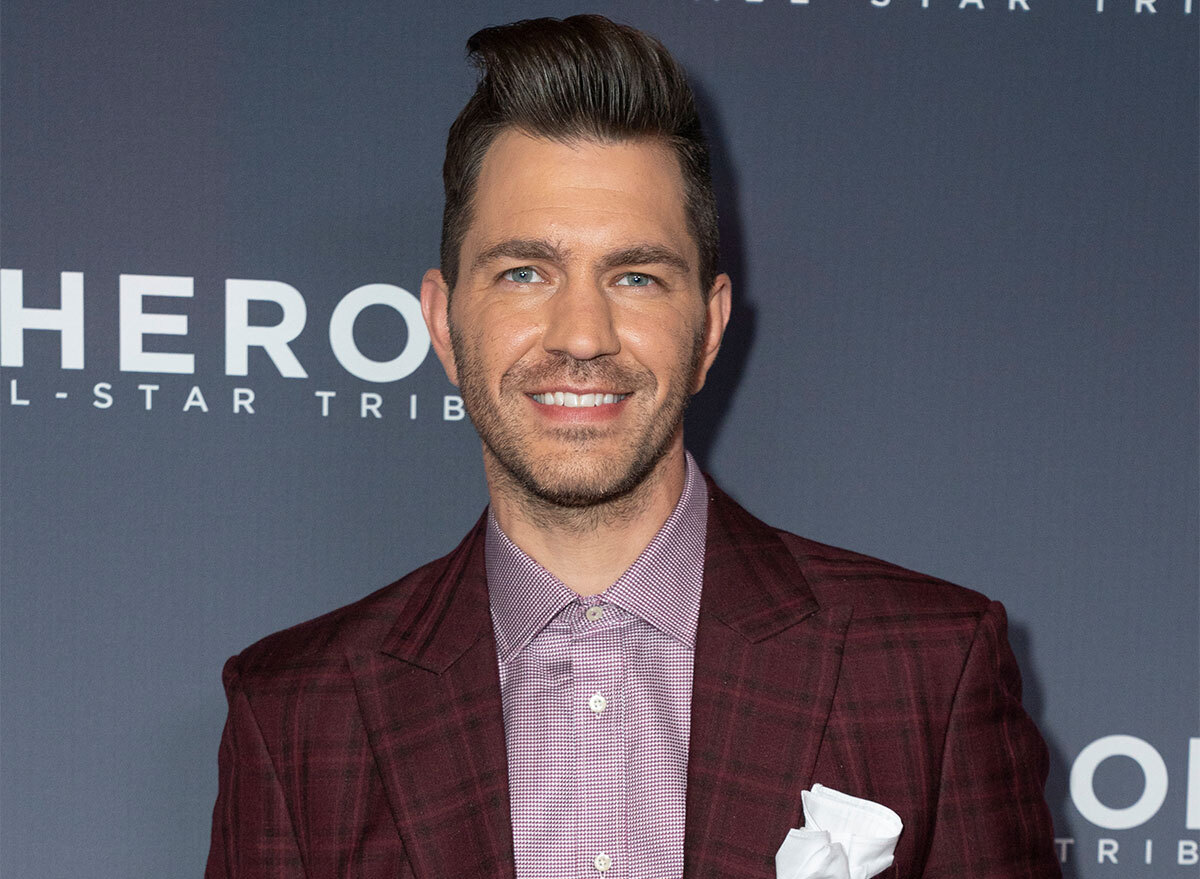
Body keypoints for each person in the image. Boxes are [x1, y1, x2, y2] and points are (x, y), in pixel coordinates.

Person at [206, 15, 1060, 879]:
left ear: (709, 328)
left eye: (636, 276)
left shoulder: (926, 670)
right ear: (441, 320)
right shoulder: (296, 714)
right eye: (525, 272)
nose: (583, 334)